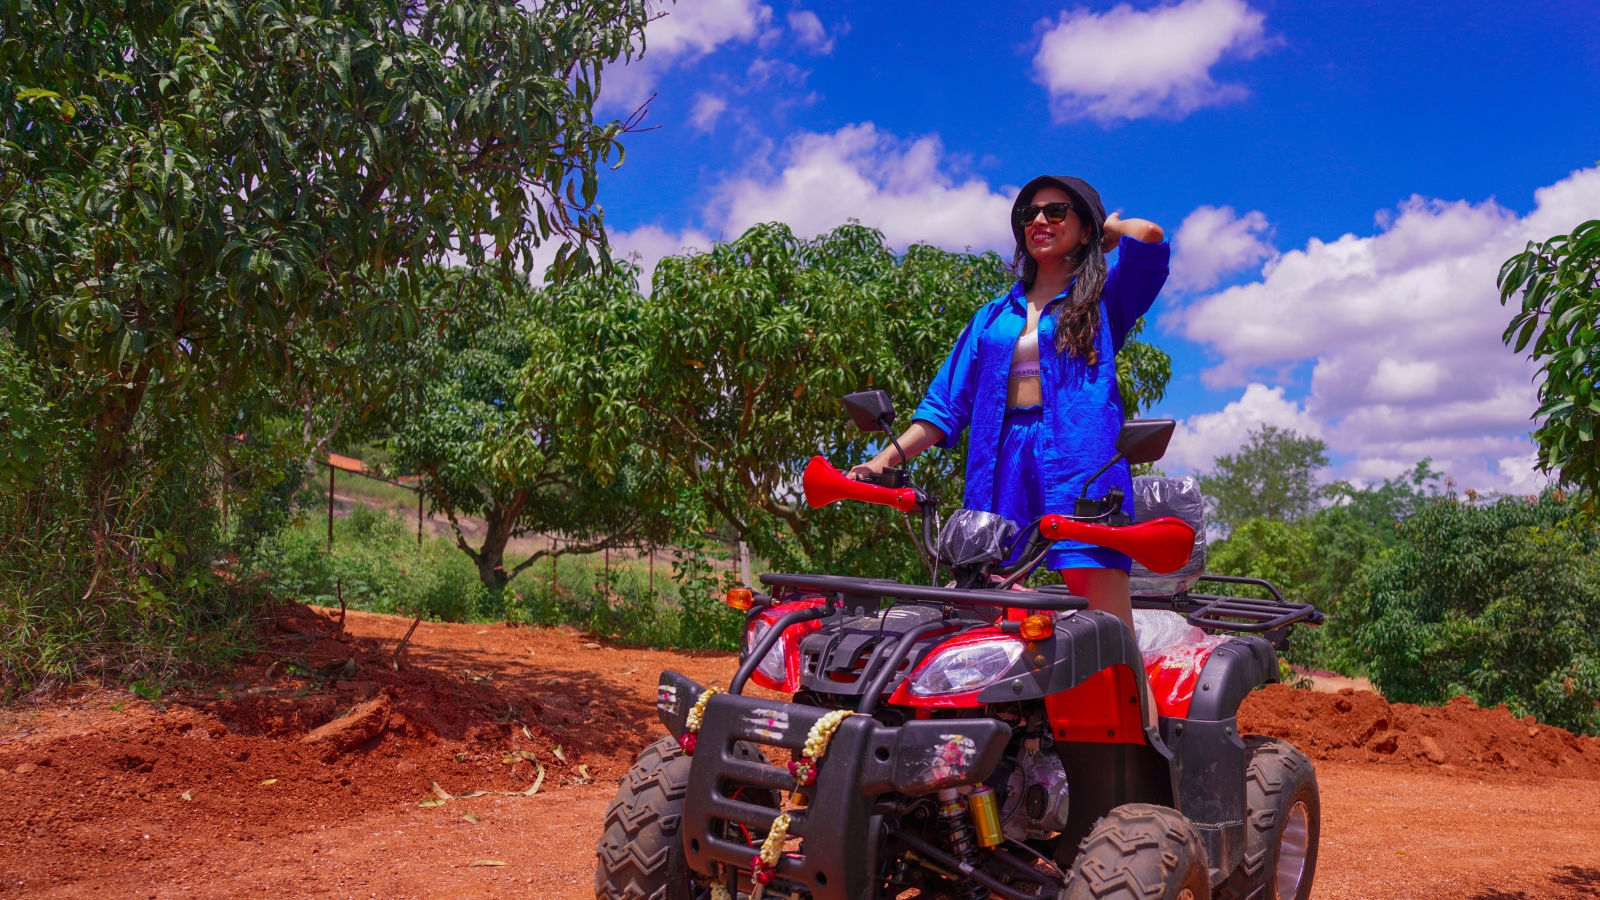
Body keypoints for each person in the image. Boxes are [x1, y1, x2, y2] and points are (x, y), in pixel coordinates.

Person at [850, 175, 1167, 633]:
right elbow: (944, 405)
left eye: (1056, 212)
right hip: (999, 466)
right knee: (980, 615)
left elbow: (1151, 239)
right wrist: (882, 462)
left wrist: (1108, 233)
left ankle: (1129, 703)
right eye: (1029, 214)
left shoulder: (1103, 300)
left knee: (1108, 631)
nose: (1039, 220)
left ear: (1084, 230)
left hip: (1081, 466)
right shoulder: (993, 315)